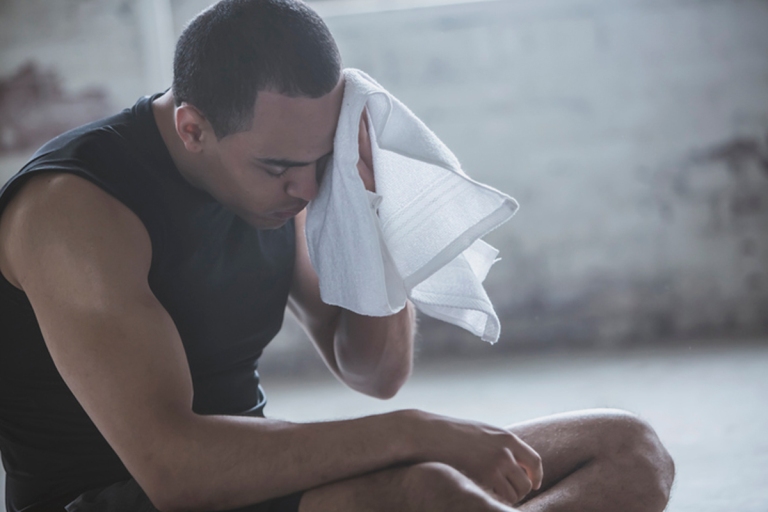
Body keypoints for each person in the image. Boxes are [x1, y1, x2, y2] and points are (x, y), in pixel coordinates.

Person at [0, 1, 675, 511]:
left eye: (321, 163)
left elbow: (373, 369)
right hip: (117, 495)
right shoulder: (76, 210)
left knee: (627, 449)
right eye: (281, 167)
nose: (306, 189)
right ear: (193, 128)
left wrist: (372, 208)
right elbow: (174, 469)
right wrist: (418, 434)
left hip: (254, 481)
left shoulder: (274, 183)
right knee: (430, 491)